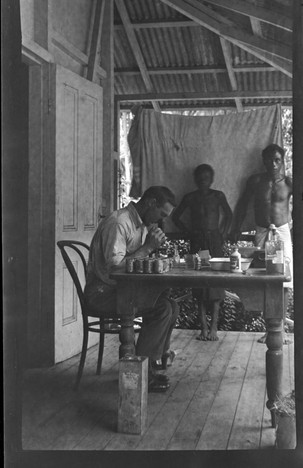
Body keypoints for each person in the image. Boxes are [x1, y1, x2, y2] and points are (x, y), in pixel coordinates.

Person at [84, 186, 179, 393]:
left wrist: (153, 252)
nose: (159, 220)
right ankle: (139, 373)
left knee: (171, 305)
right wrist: (148, 248)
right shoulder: (119, 222)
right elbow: (114, 269)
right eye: (161, 214)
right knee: (161, 308)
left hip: (120, 291)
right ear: (151, 202)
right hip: (102, 293)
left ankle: (150, 363)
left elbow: (135, 261)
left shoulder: (141, 224)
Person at [230, 143, 293, 344]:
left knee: (284, 279)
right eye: (270, 160)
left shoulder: (290, 182)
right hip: (262, 232)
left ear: (282, 161)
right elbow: (242, 205)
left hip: (281, 232)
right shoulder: (256, 181)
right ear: (263, 161)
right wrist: (235, 228)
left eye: (278, 160)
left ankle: (280, 329)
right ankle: (269, 329)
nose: (274, 164)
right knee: (265, 278)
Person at [172, 164, 232, 341]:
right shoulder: (190, 197)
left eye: (206, 177)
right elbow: (176, 217)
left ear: (212, 179)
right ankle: (203, 329)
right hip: (198, 242)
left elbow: (229, 215)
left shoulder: (218, 196)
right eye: (200, 177)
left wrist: (223, 234)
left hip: (214, 241)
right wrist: (188, 232)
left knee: (215, 284)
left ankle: (214, 328)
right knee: (199, 285)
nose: (203, 180)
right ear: (195, 179)